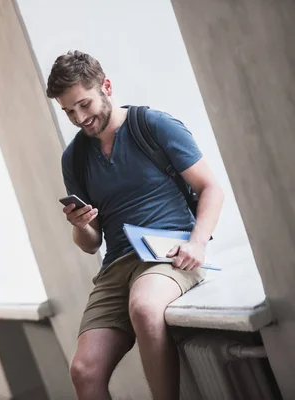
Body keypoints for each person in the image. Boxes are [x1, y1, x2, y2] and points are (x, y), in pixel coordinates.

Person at [47, 50, 224, 400]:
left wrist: (198, 243)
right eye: (68, 111)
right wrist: (81, 224)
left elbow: (212, 187)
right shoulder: (74, 158)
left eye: (84, 104)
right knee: (84, 372)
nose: (79, 117)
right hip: (116, 266)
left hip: (169, 254)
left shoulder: (154, 126)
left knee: (145, 307)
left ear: (106, 87)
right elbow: (90, 244)